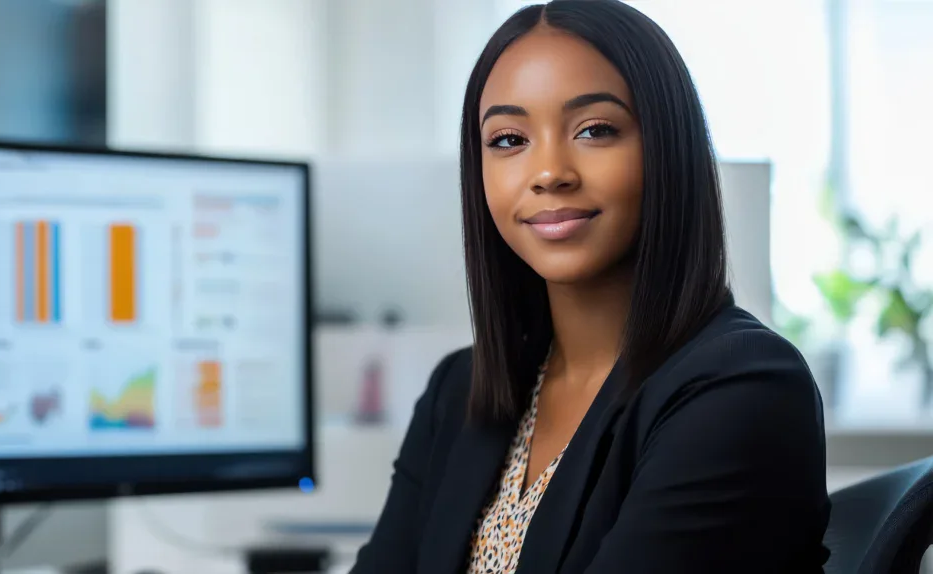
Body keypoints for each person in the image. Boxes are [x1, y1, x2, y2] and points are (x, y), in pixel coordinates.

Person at [350, 1, 830, 572]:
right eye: (508, 140)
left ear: (666, 149)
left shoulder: (743, 389)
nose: (549, 171)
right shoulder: (460, 391)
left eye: (595, 129)